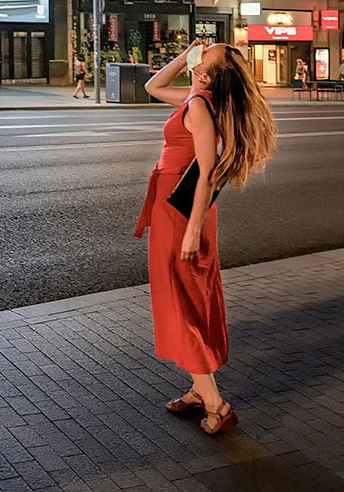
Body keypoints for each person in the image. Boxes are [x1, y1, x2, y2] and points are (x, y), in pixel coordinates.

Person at [137, 41, 278, 436]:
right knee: (181, 298)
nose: (200, 53)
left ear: (208, 74)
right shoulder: (197, 97)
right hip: (174, 208)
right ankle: (199, 390)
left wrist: (194, 228)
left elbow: (207, 171)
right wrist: (185, 57)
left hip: (182, 214)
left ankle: (216, 403)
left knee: (181, 305)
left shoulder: (199, 106)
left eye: (205, 55)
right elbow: (152, 86)